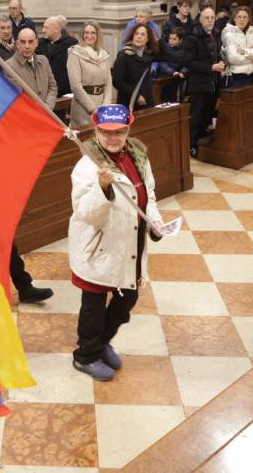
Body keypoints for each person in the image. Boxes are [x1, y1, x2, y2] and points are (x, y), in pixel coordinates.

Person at [68, 104, 167, 382]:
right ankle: (85, 356)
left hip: (130, 243)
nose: (113, 138)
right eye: (106, 132)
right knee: (93, 307)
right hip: (98, 247)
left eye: (119, 132)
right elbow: (86, 213)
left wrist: (156, 223)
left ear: (128, 130)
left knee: (128, 298)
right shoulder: (87, 164)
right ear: (96, 131)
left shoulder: (138, 156)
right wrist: (102, 188)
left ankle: (100, 344)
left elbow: (150, 195)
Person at [184, 7, 226, 156]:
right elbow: (188, 62)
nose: (210, 20)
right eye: (207, 18)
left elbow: (217, 55)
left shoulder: (215, 34)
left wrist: (221, 63)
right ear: (200, 20)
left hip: (212, 83)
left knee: (207, 116)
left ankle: (201, 143)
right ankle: (192, 146)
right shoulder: (192, 37)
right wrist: (210, 67)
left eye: (212, 18)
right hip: (198, 83)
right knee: (196, 117)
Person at [67, 20, 113, 128]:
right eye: (86, 33)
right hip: (83, 106)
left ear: (98, 35)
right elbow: (76, 86)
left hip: (102, 104)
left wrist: (105, 106)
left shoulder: (103, 54)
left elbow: (108, 83)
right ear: (82, 35)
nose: (89, 36)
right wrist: (93, 109)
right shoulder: (75, 53)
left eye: (93, 33)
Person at [5, 28, 57, 109]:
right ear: (17, 44)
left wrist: (48, 108)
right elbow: (17, 98)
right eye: (23, 42)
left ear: (36, 43)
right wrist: (37, 113)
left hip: (47, 115)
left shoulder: (43, 60)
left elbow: (52, 87)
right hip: (26, 117)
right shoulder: (9, 66)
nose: (27, 46)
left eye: (30, 42)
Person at [111, 24, 160, 109]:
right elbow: (117, 81)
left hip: (146, 101)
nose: (138, 37)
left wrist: (159, 40)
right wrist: (136, 95)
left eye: (142, 34)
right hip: (128, 101)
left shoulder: (149, 54)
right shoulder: (124, 55)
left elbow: (170, 56)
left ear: (148, 39)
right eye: (136, 34)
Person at [37, 16, 79, 97]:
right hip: (44, 91)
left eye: (46, 28)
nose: (43, 30)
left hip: (64, 92)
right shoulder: (39, 43)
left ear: (56, 29)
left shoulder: (71, 44)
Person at [221, 6, 253, 87]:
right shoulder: (229, 34)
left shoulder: (251, 32)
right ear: (234, 18)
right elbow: (233, 58)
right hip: (236, 76)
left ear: (248, 19)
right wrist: (251, 58)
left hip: (252, 74)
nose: (242, 20)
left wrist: (244, 52)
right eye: (239, 17)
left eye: (245, 17)